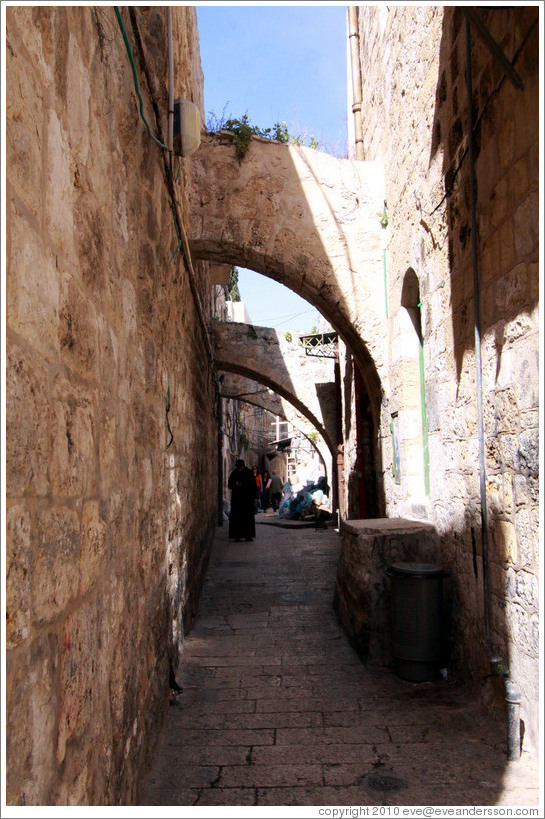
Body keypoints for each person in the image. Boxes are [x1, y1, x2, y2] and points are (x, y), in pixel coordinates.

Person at [227, 459, 258, 542]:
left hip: (247, 500)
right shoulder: (235, 473)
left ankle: (248, 535)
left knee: (248, 518)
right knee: (238, 518)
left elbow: (253, 486)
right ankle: (238, 536)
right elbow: (230, 485)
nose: (240, 469)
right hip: (238, 500)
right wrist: (236, 484)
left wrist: (255, 497)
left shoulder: (248, 473)